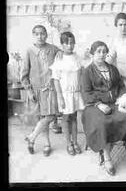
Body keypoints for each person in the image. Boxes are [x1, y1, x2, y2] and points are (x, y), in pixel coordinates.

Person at [81, 41, 126, 176]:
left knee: (124, 117)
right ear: (92, 53)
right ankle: (108, 157)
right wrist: (99, 104)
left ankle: (105, 149)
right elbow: (86, 92)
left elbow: (120, 86)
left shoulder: (112, 69)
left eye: (104, 51)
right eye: (98, 51)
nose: (102, 54)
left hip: (114, 103)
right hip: (94, 106)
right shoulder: (87, 71)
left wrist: (121, 99)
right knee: (102, 122)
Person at [22, 25, 60, 156]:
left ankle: (32, 137)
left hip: (50, 90)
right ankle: (46, 144)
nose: (40, 36)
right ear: (33, 35)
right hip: (36, 90)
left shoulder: (53, 49)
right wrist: (29, 91)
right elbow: (24, 74)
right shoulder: (29, 51)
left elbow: (62, 61)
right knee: (42, 117)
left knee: (50, 116)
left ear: (46, 35)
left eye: (43, 33)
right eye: (37, 34)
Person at [50, 32, 84, 155]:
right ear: (62, 45)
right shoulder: (59, 59)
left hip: (75, 93)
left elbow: (81, 73)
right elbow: (56, 79)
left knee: (74, 117)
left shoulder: (77, 57)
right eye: (67, 43)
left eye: (72, 43)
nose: (70, 46)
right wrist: (60, 96)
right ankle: (68, 143)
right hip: (64, 94)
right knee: (66, 118)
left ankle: (75, 142)